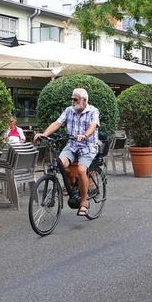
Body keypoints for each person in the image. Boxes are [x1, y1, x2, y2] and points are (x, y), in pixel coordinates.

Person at [34, 88, 100, 217]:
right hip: (72, 145)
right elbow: (57, 123)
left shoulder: (93, 111)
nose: (73, 102)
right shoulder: (69, 111)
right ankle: (72, 183)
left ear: (84, 100)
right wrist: (44, 134)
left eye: (75, 99)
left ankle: (84, 202)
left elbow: (93, 126)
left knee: (81, 170)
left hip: (88, 146)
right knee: (60, 164)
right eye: (72, 99)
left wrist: (85, 135)